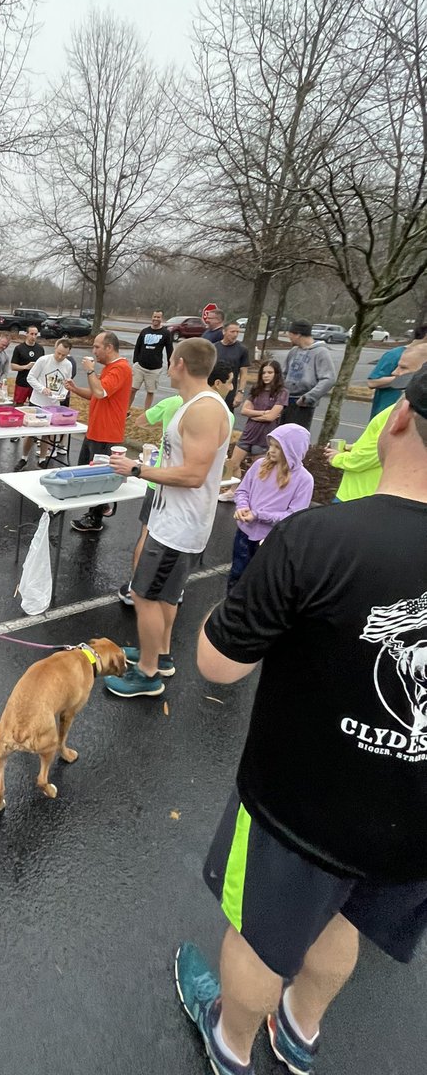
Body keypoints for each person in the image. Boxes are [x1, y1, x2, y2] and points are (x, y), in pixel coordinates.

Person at [175, 363, 427, 1075]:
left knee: (259, 937)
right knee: (346, 918)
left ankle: (231, 1042)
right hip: (411, 817)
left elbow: (219, 664)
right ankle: (300, 1032)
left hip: (300, 804)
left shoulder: (318, 539)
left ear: (398, 422)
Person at [105, 338, 230, 696]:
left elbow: (194, 476)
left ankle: (147, 675)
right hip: (170, 518)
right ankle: (158, 654)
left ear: (179, 365)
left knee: (144, 595)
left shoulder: (204, 410)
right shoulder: (192, 404)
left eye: (170, 361)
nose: (167, 367)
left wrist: (137, 469)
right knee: (165, 596)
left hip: (180, 526)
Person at [124, 360, 235, 607]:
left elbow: (141, 421)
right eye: (230, 381)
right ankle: (165, 589)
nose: (233, 386)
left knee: (149, 534)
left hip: (161, 480)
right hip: (180, 493)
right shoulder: (224, 413)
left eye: (173, 365)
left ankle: (138, 586)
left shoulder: (177, 403)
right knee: (170, 555)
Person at [325, 341, 427, 502]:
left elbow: (370, 456)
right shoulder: (397, 409)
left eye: (403, 367)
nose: (395, 371)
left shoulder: (398, 413)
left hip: (358, 496)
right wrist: (354, 447)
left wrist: (337, 458)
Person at [227, 424, 313, 592]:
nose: (271, 450)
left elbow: (294, 516)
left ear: (293, 450)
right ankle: (232, 612)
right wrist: (243, 506)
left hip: (271, 540)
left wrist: (258, 515)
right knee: (237, 575)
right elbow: (243, 490)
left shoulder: (304, 480)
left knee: (262, 583)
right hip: (244, 534)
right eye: (271, 445)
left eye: (278, 447)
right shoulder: (259, 464)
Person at [64, 332, 133, 533]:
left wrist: (89, 371)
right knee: (88, 471)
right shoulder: (110, 369)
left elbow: (100, 391)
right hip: (96, 430)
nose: (93, 351)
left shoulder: (120, 368)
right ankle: (102, 506)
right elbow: (97, 395)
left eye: (96, 347)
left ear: (109, 348)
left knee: (97, 476)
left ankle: (95, 517)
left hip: (106, 434)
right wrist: (75, 389)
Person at [220, 359, 289, 498]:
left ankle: (253, 495)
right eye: (263, 372)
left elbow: (272, 417)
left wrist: (257, 414)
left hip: (265, 436)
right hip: (248, 433)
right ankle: (233, 492)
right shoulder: (256, 389)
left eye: (270, 372)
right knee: (233, 464)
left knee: (260, 470)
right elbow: (244, 410)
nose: (266, 375)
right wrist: (264, 413)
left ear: (276, 374)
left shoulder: (282, 392)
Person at [14, 338, 74, 471]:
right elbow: (30, 377)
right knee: (31, 432)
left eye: (63, 355)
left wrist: (63, 393)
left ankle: (42, 459)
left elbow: (67, 383)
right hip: (37, 401)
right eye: (58, 353)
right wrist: (42, 389)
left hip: (53, 403)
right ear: (55, 347)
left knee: (47, 433)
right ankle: (24, 457)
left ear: (68, 353)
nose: (60, 357)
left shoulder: (68, 365)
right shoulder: (43, 360)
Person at [282, 320, 337, 429]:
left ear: (298, 334)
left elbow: (329, 379)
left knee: (296, 437)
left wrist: (309, 397)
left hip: (303, 404)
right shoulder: (293, 351)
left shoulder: (321, 352)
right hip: (285, 400)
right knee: (280, 436)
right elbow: (284, 374)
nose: (289, 337)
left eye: (290, 334)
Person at [365, 325, 426, 418]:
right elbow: (372, 382)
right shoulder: (395, 354)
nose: (395, 371)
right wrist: (405, 378)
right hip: (385, 415)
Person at [131, 310, 173, 411]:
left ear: (161, 319)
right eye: (154, 316)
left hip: (154, 369)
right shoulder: (145, 331)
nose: (156, 319)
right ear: (152, 317)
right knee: (132, 389)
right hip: (140, 367)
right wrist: (135, 361)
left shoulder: (166, 333)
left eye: (158, 317)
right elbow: (138, 347)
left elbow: (170, 350)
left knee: (150, 392)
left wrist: (170, 366)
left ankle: (146, 413)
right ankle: (125, 411)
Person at [215, 323, 250, 412]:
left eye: (237, 332)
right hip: (213, 388)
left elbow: (244, 373)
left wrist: (240, 392)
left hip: (229, 390)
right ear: (224, 332)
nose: (235, 334)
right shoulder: (214, 347)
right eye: (232, 331)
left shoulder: (242, 350)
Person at [10, 326, 45, 407]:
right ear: (26, 334)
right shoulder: (19, 348)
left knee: (35, 405)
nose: (33, 336)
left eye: (35, 334)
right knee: (18, 405)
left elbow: (43, 366)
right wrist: (25, 367)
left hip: (35, 384)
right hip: (22, 382)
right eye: (31, 334)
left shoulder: (40, 349)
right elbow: (13, 366)